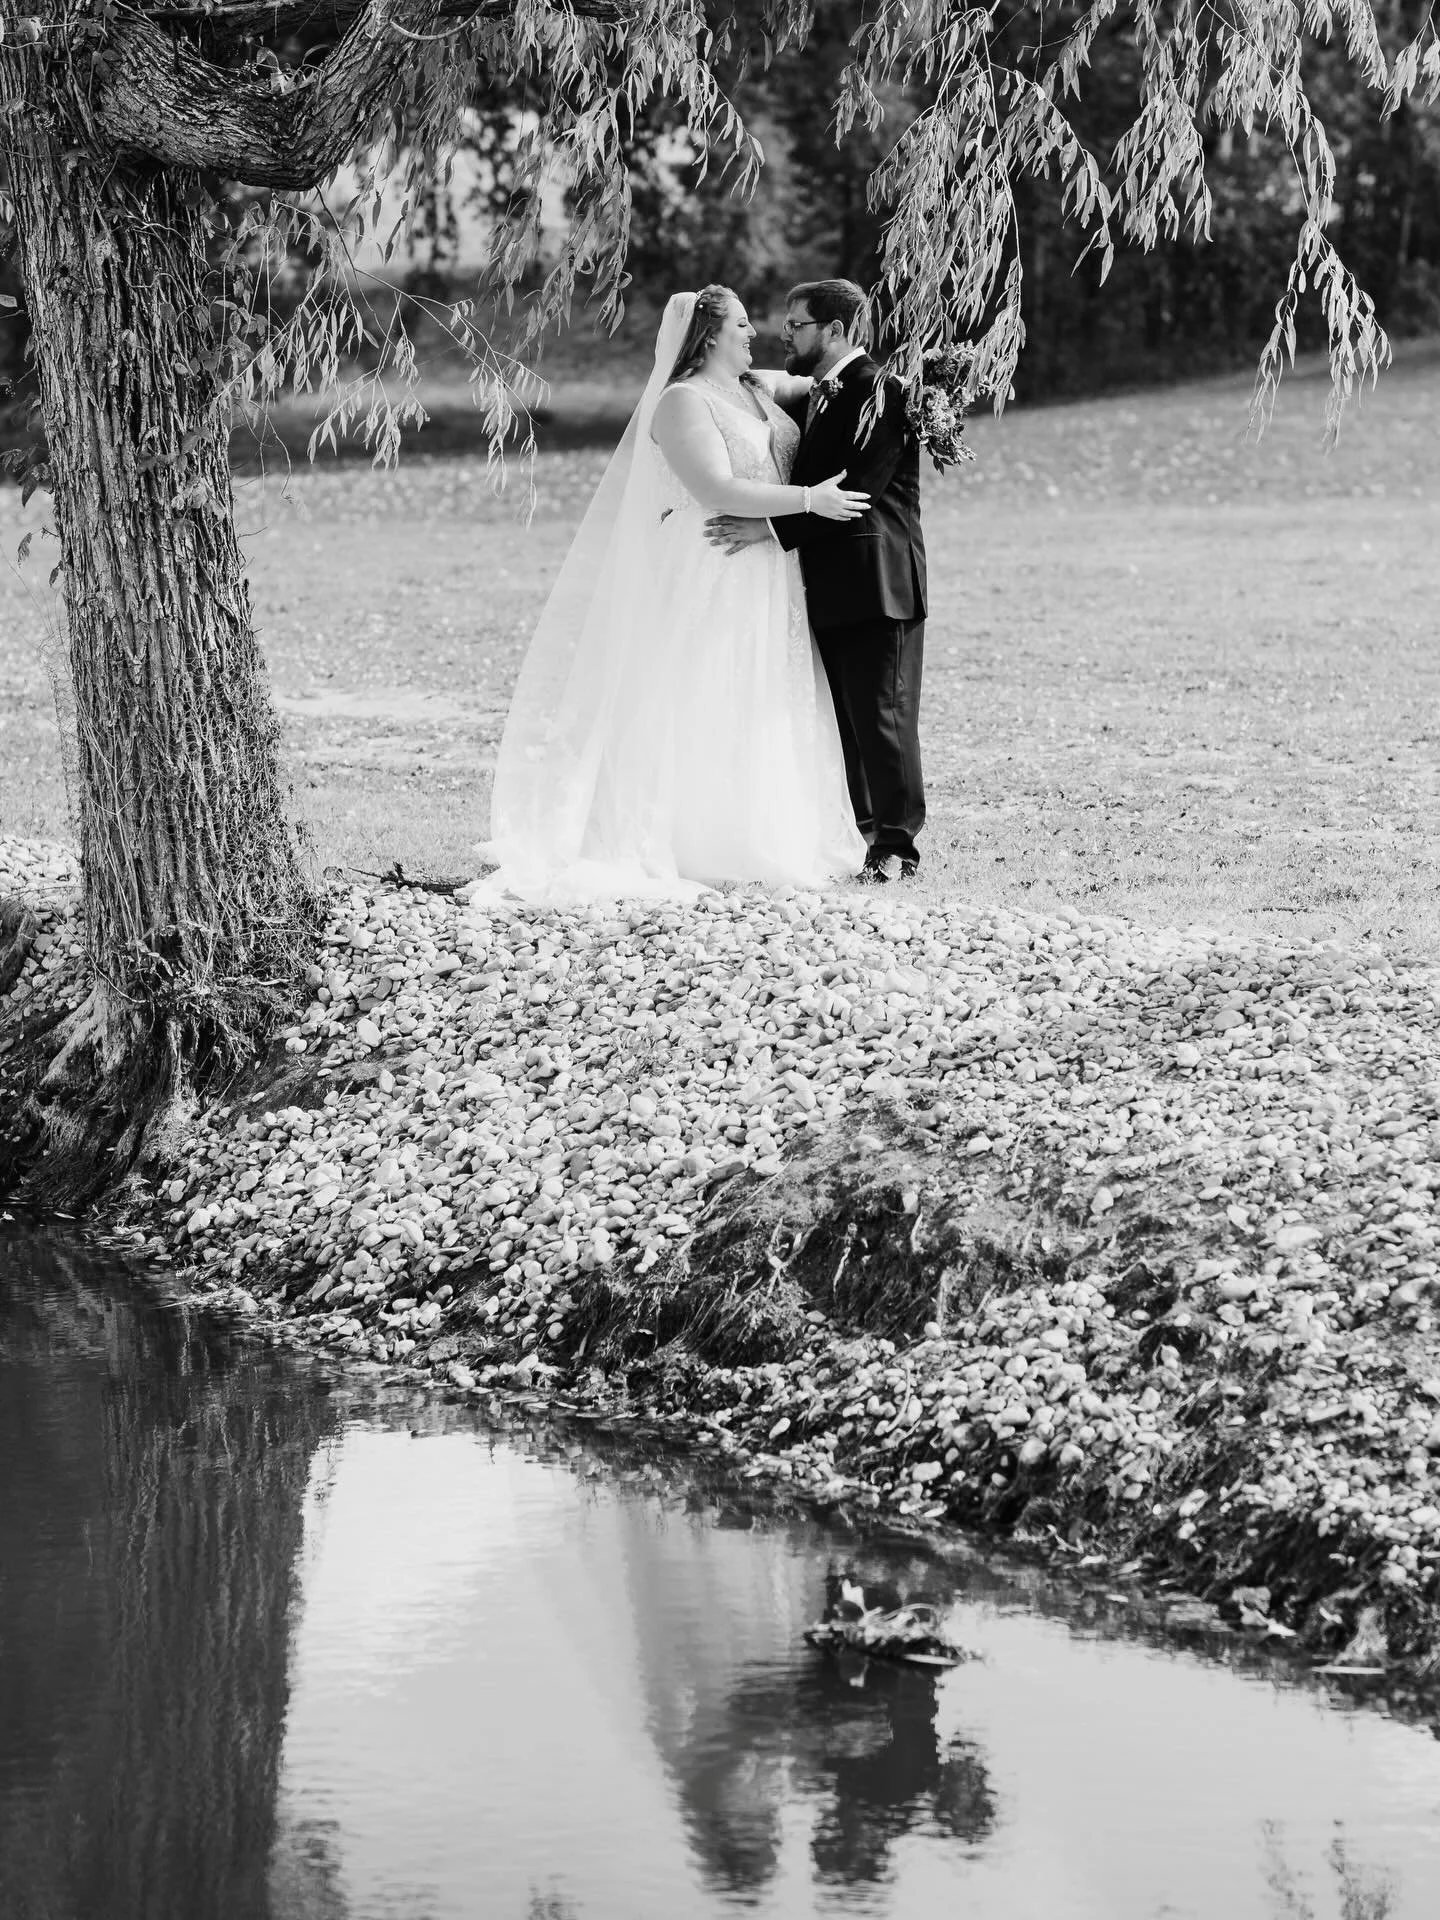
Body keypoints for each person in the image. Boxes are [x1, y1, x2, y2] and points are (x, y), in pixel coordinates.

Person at [467, 287, 869, 904]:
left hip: (766, 564)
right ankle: (695, 836)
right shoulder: (682, 402)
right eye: (740, 324)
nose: (754, 333)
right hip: (715, 559)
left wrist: (910, 392)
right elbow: (715, 487)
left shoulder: (755, 389)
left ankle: (763, 826)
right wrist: (809, 500)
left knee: (761, 688)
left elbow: (838, 382)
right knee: (704, 685)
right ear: (709, 337)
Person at [707, 280, 928, 883]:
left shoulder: (886, 392)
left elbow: (858, 491)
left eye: (798, 324)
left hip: (878, 580)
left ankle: (896, 844)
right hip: (825, 583)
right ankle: (861, 835)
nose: (786, 332)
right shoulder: (826, 392)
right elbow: (777, 403)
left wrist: (769, 533)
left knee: (883, 714)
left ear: (835, 330)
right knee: (846, 721)